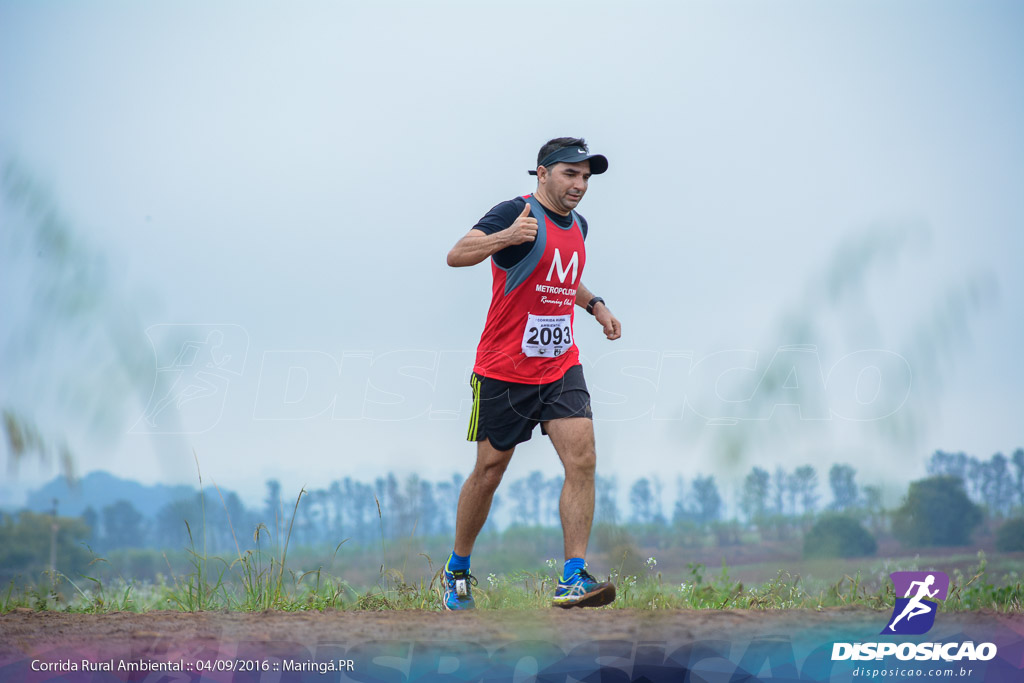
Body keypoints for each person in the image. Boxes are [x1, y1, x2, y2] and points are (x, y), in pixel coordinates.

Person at [442, 137, 622, 610]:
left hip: (559, 365)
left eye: (585, 177)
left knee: (582, 458)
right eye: (570, 174)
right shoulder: (514, 213)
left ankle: (572, 577)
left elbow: (559, 274)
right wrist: (503, 239)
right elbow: (457, 254)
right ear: (542, 173)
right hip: (504, 368)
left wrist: (595, 306)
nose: (579, 185)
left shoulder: (579, 225)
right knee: (489, 470)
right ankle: (456, 571)